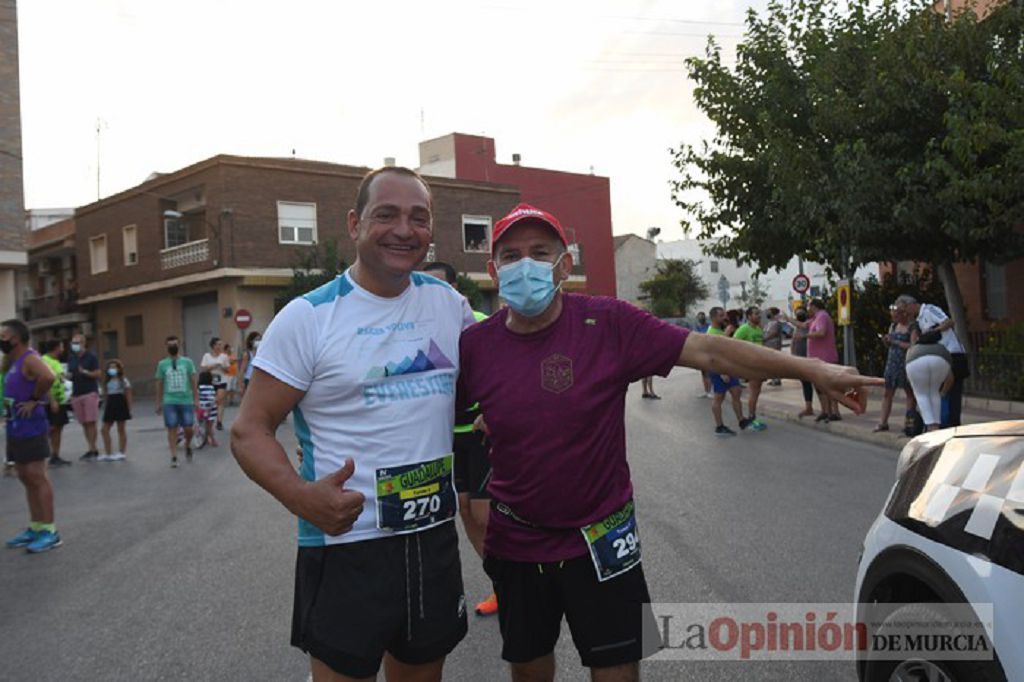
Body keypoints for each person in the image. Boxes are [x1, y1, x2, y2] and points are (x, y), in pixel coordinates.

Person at [456, 204, 881, 682]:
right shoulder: (474, 345)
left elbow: (709, 349)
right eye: (511, 256)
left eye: (539, 252)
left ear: (565, 264)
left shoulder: (608, 322)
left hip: (604, 537)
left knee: (617, 667)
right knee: (529, 667)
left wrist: (812, 369)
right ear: (494, 270)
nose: (524, 265)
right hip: (517, 540)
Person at [231, 166, 477, 682]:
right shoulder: (308, 317)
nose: (404, 230)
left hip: (431, 535)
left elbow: (491, 387)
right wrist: (300, 496)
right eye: (385, 215)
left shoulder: (449, 305)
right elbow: (249, 430)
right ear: (354, 223)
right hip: (346, 541)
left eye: (419, 217)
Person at [421, 259, 498, 617]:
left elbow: (507, 371)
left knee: (483, 515)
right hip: (446, 438)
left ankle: (514, 579)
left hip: (480, 434)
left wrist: (497, 411)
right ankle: (501, 583)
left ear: (456, 290)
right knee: (465, 512)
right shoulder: (420, 332)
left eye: (441, 285)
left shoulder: (479, 323)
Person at [2, 319, 62, 553]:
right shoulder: (13, 361)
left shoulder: (29, 358)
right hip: (15, 426)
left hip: (31, 425)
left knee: (37, 475)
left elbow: (48, 377)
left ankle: (50, 531)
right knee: (25, 476)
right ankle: (36, 526)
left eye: (3, 335)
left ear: (15, 338)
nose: (1, 339)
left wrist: (35, 400)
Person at [894, 294, 967, 427]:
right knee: (937, 393)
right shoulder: (918, 321)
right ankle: (939, 423)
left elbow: (948, 322)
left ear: (911, 305)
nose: (905, 314)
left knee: (952, 395)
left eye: (905, 310)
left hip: (952, 353)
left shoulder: (929, 310)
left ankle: (952, 424)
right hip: (939, 357)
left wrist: (934, 331)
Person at [155, 335, 198, 468]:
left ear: (179, 346)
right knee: (171, 428)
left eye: (175, 344)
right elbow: (159, 383)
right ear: (166, 346)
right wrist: (158, 402)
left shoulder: (187, 362)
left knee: (188, 428)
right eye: (170, 344)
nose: (172, 346)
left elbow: (193, 380)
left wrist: (196, 399)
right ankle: (174, 456)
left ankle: (187, 444)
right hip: (169, 400)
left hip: (186, 399)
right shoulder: (162, 364)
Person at [875, 304, 917, 433]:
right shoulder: (893, 326)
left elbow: (913, 346)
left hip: (905, 362)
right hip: (892, 362)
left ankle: (909, 423)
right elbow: (889, 344)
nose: (895, 318)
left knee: (909, 393)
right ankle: (883, 422)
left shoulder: (912, 327)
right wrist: (886, 341)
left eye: (897, 315)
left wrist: (896, 343)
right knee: (888, 392)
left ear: (904, 314)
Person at [706, 306, 746, 436]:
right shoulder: (712, 332)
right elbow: (713, 354)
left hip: (729, 368)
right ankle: (719, 426)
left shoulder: (721, 331)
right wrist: (721, 372)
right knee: (719, 397)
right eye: (721, 316)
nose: (725, 318)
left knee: (736, 392)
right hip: (719, 370)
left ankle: (741, 420)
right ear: (713, 318)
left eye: (724, 315)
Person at [905, 333, 953, 432]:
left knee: (921, 394)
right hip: (942, 359)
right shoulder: (942, 348)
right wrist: (943, 391)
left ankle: (930, 425)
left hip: (915, 362)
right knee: (935, 393)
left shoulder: (913, 349)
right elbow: (950, 377)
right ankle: (936, 425)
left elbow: (907, 375)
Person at [803, 298, 841, 422]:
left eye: (809, 306)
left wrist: (805, 336)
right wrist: (787, 319)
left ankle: (834, 411)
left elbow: (821, 332)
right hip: (817, 358)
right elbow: (803, 325)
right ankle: (826, 411)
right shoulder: (815, 318)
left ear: (814, 306)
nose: (807, 309)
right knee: (820, 386)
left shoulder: (822, 316)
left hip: (825, 357)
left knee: (829, 385)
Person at [67, 332, 101, 460]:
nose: (74, 345)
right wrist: (67, 376)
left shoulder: (91, 356)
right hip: (76, 393)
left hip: (89, 392)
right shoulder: (72, 358)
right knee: (84, 423)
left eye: (77, 342)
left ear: (83, 343)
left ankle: (94, 449)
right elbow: (71, 373)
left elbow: (98, 373)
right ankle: (90, 447)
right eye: (73, 343)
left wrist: (85, 372)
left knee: (90, 421)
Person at [733, 306, 767, 431]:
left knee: (757, 392)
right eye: (756, 314)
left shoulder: (758, 329)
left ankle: (753, 417)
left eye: (759, 313)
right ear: (748, 316)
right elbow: (733, 344)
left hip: (760, 366)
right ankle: (751, 419)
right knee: (753, 392)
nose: (758, 316)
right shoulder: (744, 329)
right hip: (751, 366)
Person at [40, 339, 72, 467]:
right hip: (50, 401)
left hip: (61, 399)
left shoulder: (56, 361)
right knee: (50, 428)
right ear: (56, 347)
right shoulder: (44, 361)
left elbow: (58, 378)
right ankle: (41, 454)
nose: (63, 348)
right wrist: (52, 400)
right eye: (62, 346)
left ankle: (55, 455)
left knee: (59, 427)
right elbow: (44, 381)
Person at [99, 359, 131, 461]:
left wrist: (129, 409)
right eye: (110, 367)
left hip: (120, 403)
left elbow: (128, 394)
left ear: (118, 369)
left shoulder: (123, 380)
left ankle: (122, 452)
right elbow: (106, 395)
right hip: (110, 404)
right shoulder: (106, 381)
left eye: (114, 367)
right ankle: (108, 453)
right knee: (104, 429)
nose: (112, 369)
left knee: (121, 428)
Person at [787, 308, 816, 418]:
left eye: (801, 312)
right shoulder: (797, 328)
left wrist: (787, 319)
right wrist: (792, 356)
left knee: (817, 384)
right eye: (797, 312)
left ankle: (827, 409)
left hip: (810, 358)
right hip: (800, 360)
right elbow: (793, 342)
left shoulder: (809, 325)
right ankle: (809, 407)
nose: (799, 314)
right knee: (805, 383)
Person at [201, 337, 230, 432]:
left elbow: (228, 370)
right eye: (218, 344)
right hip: (209, 382)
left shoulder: (224, 357)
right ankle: (208, 418)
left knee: (219, 401)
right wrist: (215, 365)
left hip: (221, 381)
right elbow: (204, 369)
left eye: (221, 345)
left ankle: (219, 421)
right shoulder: (206, 356)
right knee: (211, 401)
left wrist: (222, 367)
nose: (220, 346)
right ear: (213, 346)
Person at [693, 312, 713, 398]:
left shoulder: (709, 326)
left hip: (709, 351)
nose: (701, 318)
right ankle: (706, 391)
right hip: (701, 352)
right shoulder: (696, 327)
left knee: (711, 372)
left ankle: (711, 390)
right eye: (699, 317)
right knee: (704, 373)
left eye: (703, 317)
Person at [197, 371, 219, 447]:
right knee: (209, 426)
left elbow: (197, 397)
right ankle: (211, 439)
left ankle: (206, 439)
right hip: (211, 409)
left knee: (201, 424)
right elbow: (214, 398)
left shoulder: (199, 387)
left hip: (201, 409)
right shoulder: (212, 387)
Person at [763, 307, 784, 386]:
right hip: (768, 345)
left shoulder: (776, 323)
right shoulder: (768, 323)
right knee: (771, 363)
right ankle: (773, 379)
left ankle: (777, 379)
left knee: (775, 363)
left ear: (773, 313)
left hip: (774, 345)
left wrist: (765, 338)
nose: (767, 313)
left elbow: (774, 333)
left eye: (769, 312)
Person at [238, 331, 261, 397]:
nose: (259, 341)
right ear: (251, 341)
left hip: (259, 380)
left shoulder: (261, 354)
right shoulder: (247, 354)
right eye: (257, 339)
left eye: (260, 339)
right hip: (249, 380)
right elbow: (242, 369)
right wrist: (241, 383)